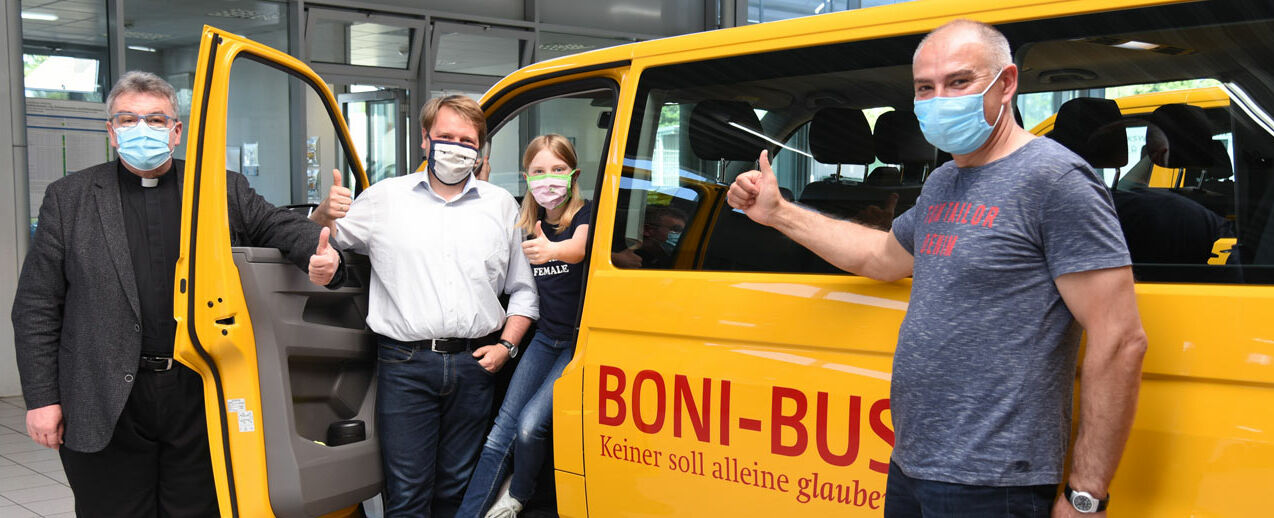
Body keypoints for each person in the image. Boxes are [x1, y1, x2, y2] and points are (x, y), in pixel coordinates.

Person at [727, 20, 1146, 517]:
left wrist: (1085, 496)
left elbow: (1120, 339)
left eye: (959, 82)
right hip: (914, 464)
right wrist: (778, 213)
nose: (939, 99)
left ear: (1006, 83)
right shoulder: (946, 180)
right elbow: (880, 257)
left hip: (993, 480)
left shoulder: (1055, 180)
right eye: (926, 88)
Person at [12, 70, 342, 517]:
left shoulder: (219, 188)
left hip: (198, 388)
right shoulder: (69, 198)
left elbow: (278, 226)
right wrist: (42, 400)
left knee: (198, 510)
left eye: (155, 119)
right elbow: (36, 307)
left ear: (177, 131)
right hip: (104, 395)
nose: (141, 130)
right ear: (111, 132)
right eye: (127, 120)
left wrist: (319, 254)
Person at [309, 94, 538, 517]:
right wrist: (323, 215)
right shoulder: (383, 199)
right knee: (408, 493)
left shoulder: (501, 206)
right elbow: (324, 246)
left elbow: (524, 290)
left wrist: (507, 346)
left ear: (480, 149)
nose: (457, 146)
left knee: (458, 490)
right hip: (405, 364)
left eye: (467, 140)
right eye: (446, 136)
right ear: (425, 141)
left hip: (476, 365)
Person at [457, 134, 592, 518]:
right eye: (539, 172)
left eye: (559, 170)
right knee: (502, 429)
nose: (549, 179)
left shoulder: (585, 214)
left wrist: (551, 250)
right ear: (526, 177)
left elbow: (579, 247)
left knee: (531, 425)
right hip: (545, 338)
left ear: (574, 174)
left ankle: (517, 496)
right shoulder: (526, 220)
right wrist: (479, 184)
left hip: (576, 343)